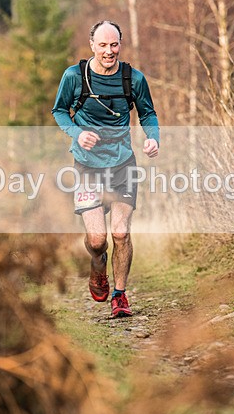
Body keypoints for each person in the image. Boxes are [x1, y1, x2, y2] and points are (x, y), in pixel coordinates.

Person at [52, 20, 160, 318]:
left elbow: (148, 113)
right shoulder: (74, 76)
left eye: (114, 45)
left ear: (120, 45)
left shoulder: (133, 79)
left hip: (123, 163)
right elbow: (59, 110)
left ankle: (120, 296)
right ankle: (98, 265)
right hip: (87, 166)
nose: (109, 51)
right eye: (103, 45)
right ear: (92, 46)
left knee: (121, 233)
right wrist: (77, 133)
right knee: (98, 240)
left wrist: (153, 138)